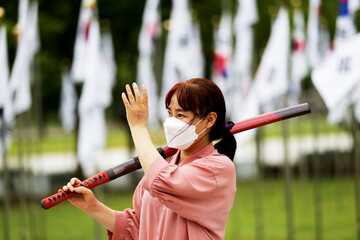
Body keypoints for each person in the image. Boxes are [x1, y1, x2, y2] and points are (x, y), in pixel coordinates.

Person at [62, 78, 237, 240]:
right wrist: (92, 206)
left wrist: (138, 128)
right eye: (170, 113)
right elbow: (139, 228)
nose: (171, 122)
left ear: (210, 120)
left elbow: (163, 181)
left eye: (181, 115)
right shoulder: (161, 164)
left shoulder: (218, 169)